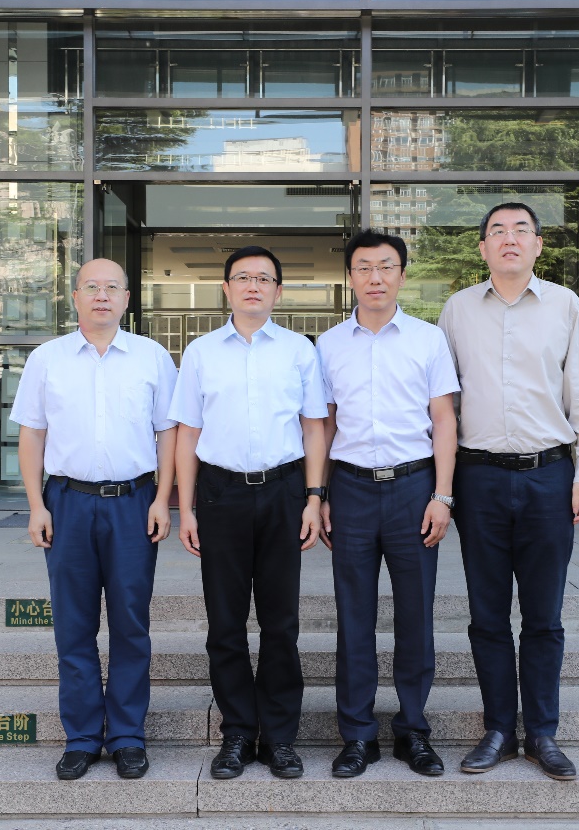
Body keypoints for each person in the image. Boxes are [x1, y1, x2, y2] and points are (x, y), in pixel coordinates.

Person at [437, 203, 579, 781]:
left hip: (547, 476)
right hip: (478, 477)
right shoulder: (458, 309)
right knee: (486, 614)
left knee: (543, 615)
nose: (509, 239)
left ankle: (542, 733)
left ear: (538, 244)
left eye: (521, 230)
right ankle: (498, 730)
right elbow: (442, 402)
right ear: (483, 247)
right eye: (497, 231)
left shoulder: (564, 305)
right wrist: (442, 486)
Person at [11, 258, 178, 782]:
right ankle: (82, 737)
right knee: (74, 625)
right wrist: (36, 505)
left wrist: (163, 499)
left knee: (131, 623)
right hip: (68, 503)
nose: (101, 295)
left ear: (127, 298)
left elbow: (168, 434)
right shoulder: (47, 358)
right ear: (76, 297)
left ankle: (127, 735)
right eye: (91, 287)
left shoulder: (152, 357)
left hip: (133, 502)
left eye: (112, 287)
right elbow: (32, 434)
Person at [170, 245, 328, 780]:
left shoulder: (299, 351)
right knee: (225, 623)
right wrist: (188, 509)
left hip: (284, 492)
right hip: (221, 495)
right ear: (226, 289)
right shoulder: (200, 352)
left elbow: (314, 428)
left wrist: (314, 498)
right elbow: (187, 433)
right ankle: (237, 732)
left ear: (278, 291)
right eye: (242, 277)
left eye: (263, 278)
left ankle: (279, 736)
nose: (253, 286)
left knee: (281, 623)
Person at [316, 229, 459, 779]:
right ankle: (357, 735)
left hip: (413, 488)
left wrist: (442, 495)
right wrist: (320, 494)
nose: (374, 277)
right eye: (364, 268)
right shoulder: (329, 345)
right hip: (350, 489)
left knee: (415, 615)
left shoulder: (427, 339)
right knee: (353, 617)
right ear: (351, 276)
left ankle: (413, 731)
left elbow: (444, 420)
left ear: (401, 274)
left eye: (385, 267)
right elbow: (325, 425)